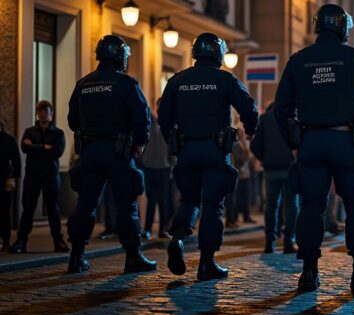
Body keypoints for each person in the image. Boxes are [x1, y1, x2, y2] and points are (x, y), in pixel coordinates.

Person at [274, 3, 354, 292]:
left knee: (311, 207)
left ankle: (309, 272)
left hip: (310, 143)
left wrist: (294, 144)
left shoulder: (298, 60)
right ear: (342, 28)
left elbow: (281, 108)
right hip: (346, 143)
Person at [159, 32, 258, 281]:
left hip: (187, 151)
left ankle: (178, 238)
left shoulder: (177, 81)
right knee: (213, 205)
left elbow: (164, 118)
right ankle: (206, 262)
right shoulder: (224, 79)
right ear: (218, 53)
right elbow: (248, 106)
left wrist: (174, 141)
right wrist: (251, 129)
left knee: (189, 199)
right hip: (215, 150)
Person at [66, 35, 155, 274]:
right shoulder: (126, 83)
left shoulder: (83, 84)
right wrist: (139, 143)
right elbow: (142, 118)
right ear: (120, 56)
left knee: (85, 206)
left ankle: (76, 256)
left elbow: (72, 120)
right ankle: (133, 257)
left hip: (90, 153)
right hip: (118, 153)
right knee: (126, 207)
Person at [9, 101, 68, 254]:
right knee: (28, 208)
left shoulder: (58, 133)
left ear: (51, 113)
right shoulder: (29, 131)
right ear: (37, 113)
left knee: (53, 209)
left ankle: (58, 241)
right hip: (33, 175)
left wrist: (34, 147)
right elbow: (24, 147)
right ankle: (21, 241)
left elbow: (57, 151)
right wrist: (44, 147)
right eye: (40, 111)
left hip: (51, 175)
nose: (43, 114)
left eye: (46, 111)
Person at [251, 101, 298, 253]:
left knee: (271, 205)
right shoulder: (294, 117)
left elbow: (255, 145)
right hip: (291, 167)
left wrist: (265, 158)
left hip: (271, 169)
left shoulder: (265, 119)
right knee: (292, 206)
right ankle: (288, 241)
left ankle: (270, 242)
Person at [140, 97, 172, 240]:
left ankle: (163, 229)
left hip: (164, 167)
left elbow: (173, 147)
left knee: (163, 200)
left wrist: (172, 164)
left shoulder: (170, 124)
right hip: (149, 167)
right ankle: (147, 229)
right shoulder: (150, 121)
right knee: (151, 199)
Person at [225, 125, 253, 229]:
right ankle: (231, 219)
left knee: (244, 196)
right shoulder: (236, 144)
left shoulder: (242, 143)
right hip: (237, 174)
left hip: (244, 173)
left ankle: (241, 217)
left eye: (242, 132)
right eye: (240, 133)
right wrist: (247, 153)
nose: (242, 134)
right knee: (233, 199)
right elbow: (239, 159)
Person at [0, 119, 21, 252]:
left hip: (4, 180)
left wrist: (13, 178)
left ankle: (5, 240)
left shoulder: (9, 140)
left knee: (3, 212)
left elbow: (16, 160)